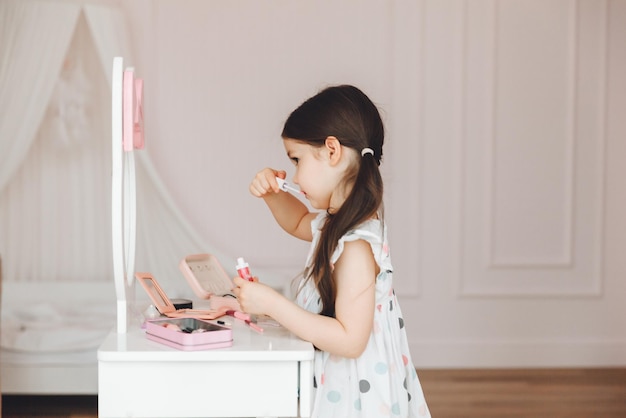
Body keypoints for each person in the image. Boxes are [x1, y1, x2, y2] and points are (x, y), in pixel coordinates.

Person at [233, 85, 431, 417]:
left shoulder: (354, 245)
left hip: (357, 397)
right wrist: (272, 194)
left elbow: (351, 340)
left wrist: (272, 304)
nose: (295, 175)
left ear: (331, 150)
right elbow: (298, 221)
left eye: (297, 160)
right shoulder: (337, 223)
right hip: (344, 388)